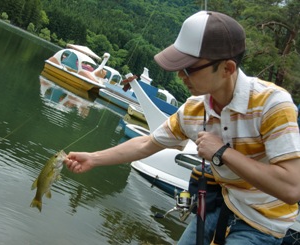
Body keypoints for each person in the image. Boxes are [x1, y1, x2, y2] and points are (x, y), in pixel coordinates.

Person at [64, 10, 300, 245]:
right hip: (221, 202)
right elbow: (147, 143)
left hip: (262, 221)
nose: (180, 76)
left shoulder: (273, 105)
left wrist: (221, 152)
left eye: (189, 68)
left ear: (227, 68)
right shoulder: (193, 110)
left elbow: (291, 188)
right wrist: (93, 158)